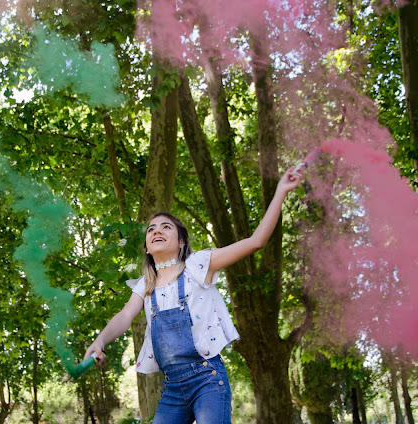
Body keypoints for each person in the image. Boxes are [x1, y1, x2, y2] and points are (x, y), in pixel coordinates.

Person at [84, 167, 304, 424]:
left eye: (166, 227)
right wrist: (99, 341)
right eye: (151, 229)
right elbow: (124, 316)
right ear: (146, 246)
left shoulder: (198, 265)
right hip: (172, 389)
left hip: (207, 379)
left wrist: (280, 191)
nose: (157, 231)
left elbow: (256, 241)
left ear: (180, 242)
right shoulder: (146, 284)